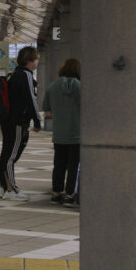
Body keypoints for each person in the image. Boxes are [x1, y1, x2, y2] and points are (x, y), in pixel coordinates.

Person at [0, 46, 41, 201]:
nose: (37, 62)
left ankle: (4, 187)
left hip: (7, 121)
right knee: (11, 156)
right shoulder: (26, 74)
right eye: (36, 59)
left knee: (5, 154)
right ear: (29, 60)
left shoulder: (14, 74)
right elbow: (32, 99)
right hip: (17, 122)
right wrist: (37, 120)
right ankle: (12, 190)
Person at [42, 57, 81, 208]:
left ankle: (56, 194)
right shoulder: (80, 86)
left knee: (58, 165)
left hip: (59, 134)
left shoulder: (53, 86)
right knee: (73, 166)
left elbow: (46, 107)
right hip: (76, 134)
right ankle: (70, 196)